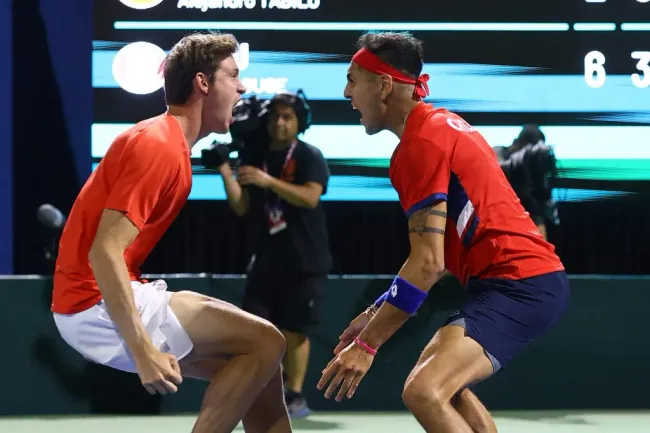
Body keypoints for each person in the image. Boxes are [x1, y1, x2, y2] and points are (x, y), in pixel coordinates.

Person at [317, 32, 569, 433]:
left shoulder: (419, 144)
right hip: (518, 282)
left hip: (520, 284)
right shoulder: (445, 123)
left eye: (353, 79)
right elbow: (442, 258)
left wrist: (367, 345)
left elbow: (428, 262)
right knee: (446, 389)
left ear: (383, 85)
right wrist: (372, 314)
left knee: (423, 391)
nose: (347, 92)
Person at [51, 32, 293, 433]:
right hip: (91, 300)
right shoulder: (158, 144)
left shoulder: (169, 144)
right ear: (203, 83)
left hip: (96, 297)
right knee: (267, 341)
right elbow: (104, 252)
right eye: (233, 75)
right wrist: (142, 350)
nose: (243, 86)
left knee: (261, 370)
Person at [218, 91, 332, 418]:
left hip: (304, 259)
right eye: (274, 117)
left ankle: (294, 394)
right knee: (255, 329)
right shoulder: (256, 156)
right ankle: (264, 391)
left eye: (287, 117)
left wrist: (267, 180)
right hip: (266, 259)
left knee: (295, 331)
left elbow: (310, 198)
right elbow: (241, 205)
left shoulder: (310, 155)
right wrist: (227, 170)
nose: (279, 123)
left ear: (299, 122)